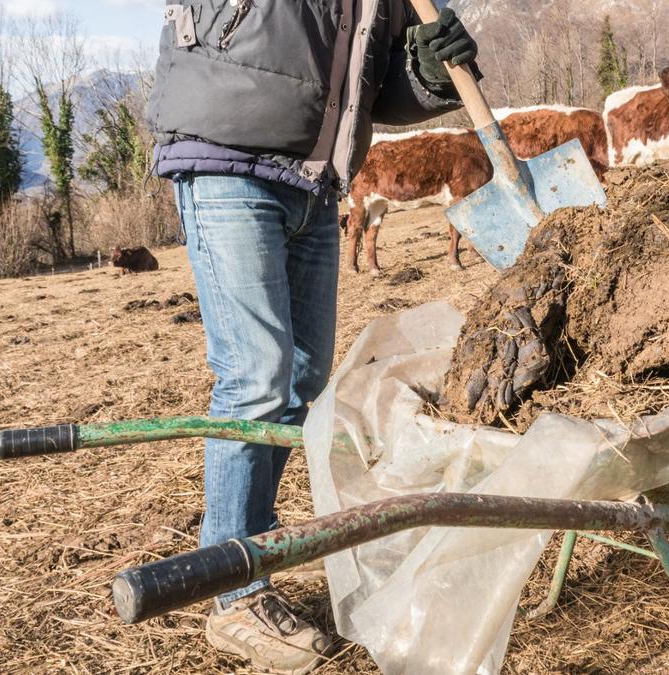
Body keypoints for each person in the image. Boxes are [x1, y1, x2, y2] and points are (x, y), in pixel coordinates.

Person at [145, 3, 479, 672]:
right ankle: (233, 591)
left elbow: (366, 90)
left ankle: (250, 547)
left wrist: (427, 72)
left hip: (315, 182)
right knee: (256, 374)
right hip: (227, 156)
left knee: (302, 376)